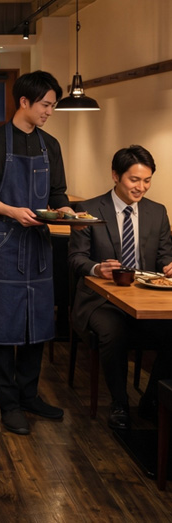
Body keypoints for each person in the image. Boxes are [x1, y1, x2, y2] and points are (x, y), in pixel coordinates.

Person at [0, 70, 71, 436]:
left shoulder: (51, 145)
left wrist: (69, 213)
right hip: (6, 243)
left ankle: (29, 395)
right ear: (25, 102)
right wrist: (12, 211)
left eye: (52, 105)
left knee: (37, 325)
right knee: (4, 326)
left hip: (40, 246)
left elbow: (58, 194)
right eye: (46, 104)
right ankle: (8, 404)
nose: (49, 111)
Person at [68, 145, 172, 429]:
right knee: (113, 332)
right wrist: (96, 268)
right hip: (98, 300)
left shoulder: (157, 212)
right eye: (134, 180)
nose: (141, 187)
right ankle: (120, 403)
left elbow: (165, 256)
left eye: (147, 180)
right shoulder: (88, 209)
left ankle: (152, 402)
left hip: (145, 298)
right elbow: (76, 258)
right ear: (115, 176)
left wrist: (169, 265)